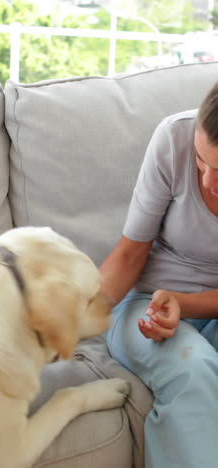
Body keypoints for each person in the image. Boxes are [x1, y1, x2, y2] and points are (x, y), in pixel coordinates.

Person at [99, 81, 218, 468]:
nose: (208, 182)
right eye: (201, 161)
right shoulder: (173, 137)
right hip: (146, 304)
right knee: (193, 370)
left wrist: (185, 304)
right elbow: (130, 254)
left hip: (202, 307)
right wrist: (73, 321)